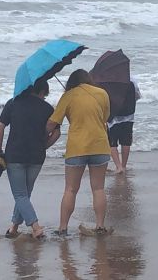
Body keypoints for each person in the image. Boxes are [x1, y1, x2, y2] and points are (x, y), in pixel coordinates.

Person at [46, 69, 112, 236]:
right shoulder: (102, 93)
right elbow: (105, 117)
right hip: (100, 145)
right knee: (98, 188)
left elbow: (52, 123)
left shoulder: (68, 96)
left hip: (77, 147)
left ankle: (63, 228)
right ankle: (100, 226)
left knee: (70, 189)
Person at [0, 79, 60, 240]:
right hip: (37, 157)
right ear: (41, 91)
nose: (45, 97)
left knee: (20, 195)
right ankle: (14, 228)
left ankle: (36, 227)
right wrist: (44, 146)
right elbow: (56, 133)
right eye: (45, 94)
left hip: (15, 155)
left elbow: (0, 127)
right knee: (25, 194)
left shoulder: (13, 103)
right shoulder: (47, 108)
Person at [108, 76, 141, 175]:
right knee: (126, 141)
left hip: (113, 117)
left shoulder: (107, 82)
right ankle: (124, 166)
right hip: (128, 116)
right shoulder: (132, 81)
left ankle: (118, 166)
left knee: (112, 143)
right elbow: (137, 96)